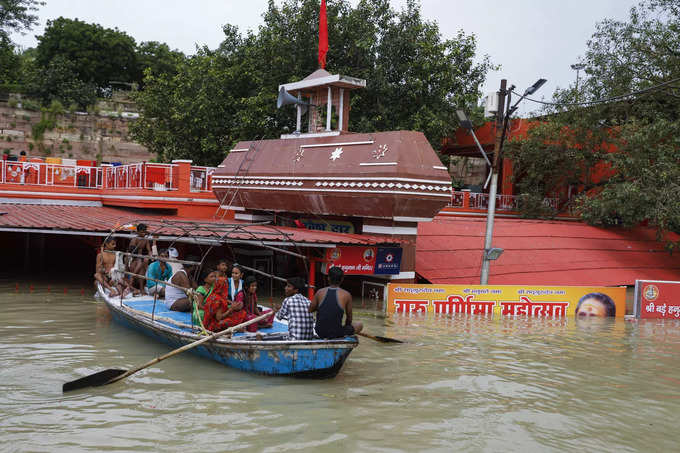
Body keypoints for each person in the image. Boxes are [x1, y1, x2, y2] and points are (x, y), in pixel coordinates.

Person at [309, 267, 363, 338]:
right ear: (342, 279)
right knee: (359, 325)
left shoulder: (319, 292)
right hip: (336, 333)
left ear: (328, 278)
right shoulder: (347, 295)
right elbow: (349, 318)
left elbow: (310, 310)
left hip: (319, 331)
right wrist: (347, 328)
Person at [128, 223, 153, 292]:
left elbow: (149, 250)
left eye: (144, 232)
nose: (143, 233)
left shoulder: (146, 240)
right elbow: (131, 251)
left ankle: (141, 288)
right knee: (139, 264)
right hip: (134, 258)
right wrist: (139, 256)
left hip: (141, 258)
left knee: (142, 269)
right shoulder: (135, 239)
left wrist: (151, 255)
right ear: (138, 232)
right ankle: (131, 284)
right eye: (142, 232)